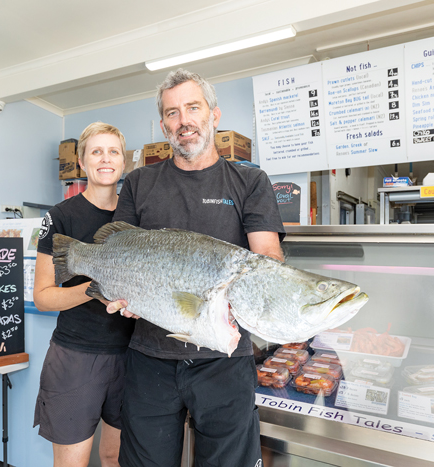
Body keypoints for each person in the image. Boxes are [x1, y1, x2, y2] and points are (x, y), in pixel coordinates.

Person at [107, 69, 285, 467]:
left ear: (214, 115)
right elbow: (120, 250)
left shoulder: (250, 181)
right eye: (172, 113)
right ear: (163, 124)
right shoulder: (139, 183)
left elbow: (268, 255)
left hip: (225, 359)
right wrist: (122, 292)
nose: (183, 120)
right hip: (150, 356)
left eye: (192, 107)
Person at [33, 122, 134, 467]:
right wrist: (94, 288)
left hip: (132, 356)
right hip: (76, 356)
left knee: (114, 457)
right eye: (96, 151)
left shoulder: (136, 216)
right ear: (81, 161)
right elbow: (43, 297)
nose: (105, 159)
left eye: (113, 151)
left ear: (125, 161)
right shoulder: (60, 217)